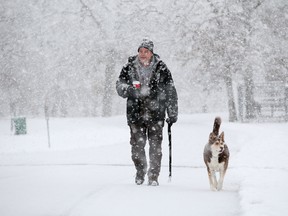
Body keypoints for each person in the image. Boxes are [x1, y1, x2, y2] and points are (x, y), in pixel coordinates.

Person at [116, 38, 178, 186]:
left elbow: (170, 91)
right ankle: (140, 171)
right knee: (137, 146)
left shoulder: (161, 68)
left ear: (152, 53)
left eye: (146, 51)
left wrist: (172, 112)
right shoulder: (129, 67)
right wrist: (130, 90)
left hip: (156, 113)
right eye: (141, 51)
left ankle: (153, 176)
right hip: (135, 113)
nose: (143, 54)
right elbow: (119, 85)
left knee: (155, 147)